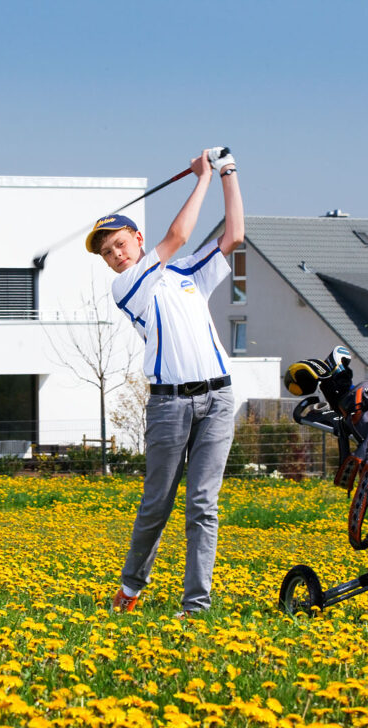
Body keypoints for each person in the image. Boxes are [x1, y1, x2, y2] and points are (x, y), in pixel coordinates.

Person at [86, 147, 244, 616]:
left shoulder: (186, 271)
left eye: (119, 244)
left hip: (217, 398)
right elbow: (177, 234)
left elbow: (234, 234)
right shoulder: (128, 285)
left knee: (203, 506)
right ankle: (132, 588)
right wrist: (201, 177)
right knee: (157, 503)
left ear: (136, 238)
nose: (114, 255)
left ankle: (195, 606)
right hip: (169, 406)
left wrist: (227, 171)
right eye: (106, 252)